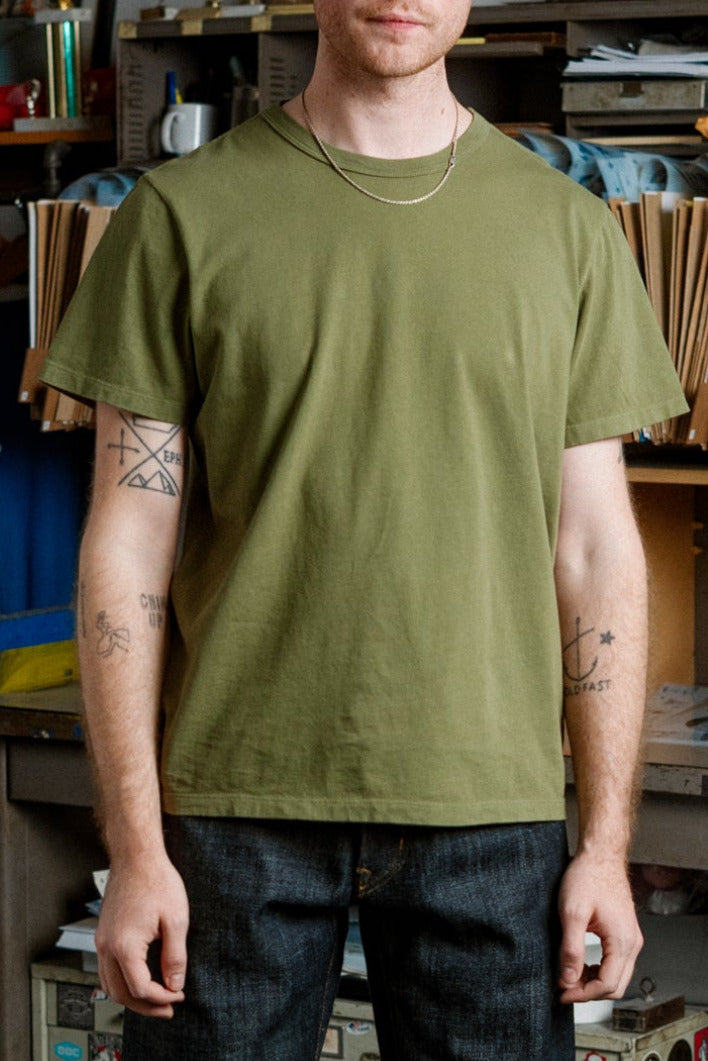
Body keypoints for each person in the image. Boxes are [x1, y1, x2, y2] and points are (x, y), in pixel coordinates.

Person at [41, 1, 689, 1058]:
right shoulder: (178, 215)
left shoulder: (567, 231)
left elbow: (597, 550)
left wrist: (609, 843)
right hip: (230, 811)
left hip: (492, 812)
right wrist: (138, 845)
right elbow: (127, 544)